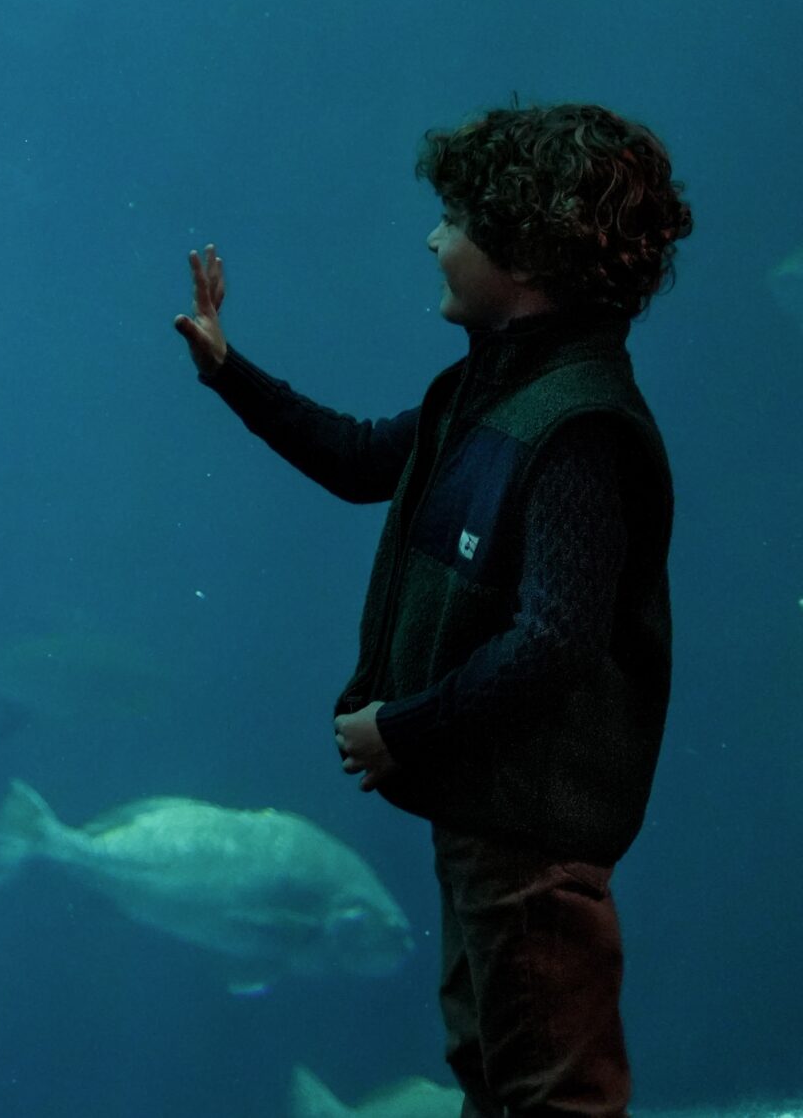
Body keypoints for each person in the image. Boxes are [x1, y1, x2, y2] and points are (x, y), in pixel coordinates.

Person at [171, 102, 689, 1118]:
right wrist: (229, 371)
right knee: (490, 1068)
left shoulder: (579, 424)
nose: (431, 238)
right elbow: (364, 457)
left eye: (453, 219)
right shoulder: (484, 392)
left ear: (526, 253)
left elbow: (552, 640)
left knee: (552, 1086)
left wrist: (400, 728)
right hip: (483, 820)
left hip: (534, 834)